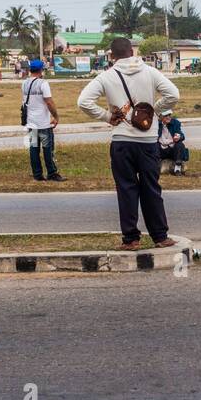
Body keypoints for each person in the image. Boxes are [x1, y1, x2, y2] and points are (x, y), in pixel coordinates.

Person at [77, 37, 180, 249]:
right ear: (132, 52)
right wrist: (154, 110)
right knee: (151, 188)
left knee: (126, 189)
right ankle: (160, 236)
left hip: (122, 141)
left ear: (112, 56)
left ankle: (131, 238)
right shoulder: (150, 72)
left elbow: (83, 101)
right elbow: (173, 94)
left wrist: (107, 116)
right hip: (149, 141)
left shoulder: (106, 76)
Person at [22, 59, 65, 182]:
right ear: (41, 70)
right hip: (44, 123)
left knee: (34, 149)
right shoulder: (43, 83)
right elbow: (49, 102)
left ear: (31, 70)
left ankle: (37, 175)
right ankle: (51, 173)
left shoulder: (24, 83)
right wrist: (56, 117)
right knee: (48, 149)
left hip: (31, 122)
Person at [158, 109, 188, 175]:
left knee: (180, 144)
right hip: (161, 149)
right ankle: (157, 166)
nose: (168, 117)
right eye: (166, 115)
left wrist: (179, 137)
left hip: (172, 149)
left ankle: (177, 169)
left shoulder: (175, 123)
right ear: (160, 117)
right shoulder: (156, 124)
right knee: (153, 145)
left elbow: (182, 135)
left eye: (169, 115)